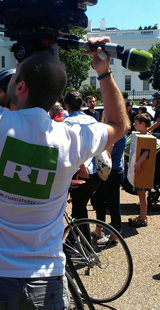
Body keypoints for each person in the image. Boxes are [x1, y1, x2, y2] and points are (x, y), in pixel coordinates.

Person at [0, 0, 128, 309]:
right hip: (46, 280)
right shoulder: (71, 138)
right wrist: (104, 73)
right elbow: (119, 125)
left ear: (20, 87)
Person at [63, 91, 101, 227]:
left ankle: (84, 245)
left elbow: (75, 149)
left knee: (79, 212)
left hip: (81, 172)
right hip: (96, 172)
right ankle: (72, 243)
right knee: (79, 210)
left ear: (66, 105)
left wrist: (83, 168)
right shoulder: (93, 120)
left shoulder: (67, 123)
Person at [126, 113, 160, 227]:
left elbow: (147, 151)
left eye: (136, 124)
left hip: (141, 169)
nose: (134, 125)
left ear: (143, 124)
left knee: (142, 194)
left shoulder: (146, 137)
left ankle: (143, 218)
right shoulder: (139, 135)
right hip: (139, 168)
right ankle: (142, 216)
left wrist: (138, 163)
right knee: (140, 193)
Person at [93, 134, 127, 240]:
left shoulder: (117, 135)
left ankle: (114, 234)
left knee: (112, 204)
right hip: (110, 171)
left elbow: (107, 153)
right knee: (100, 201)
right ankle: (99, 229)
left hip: (111, 170)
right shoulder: (119, 134)